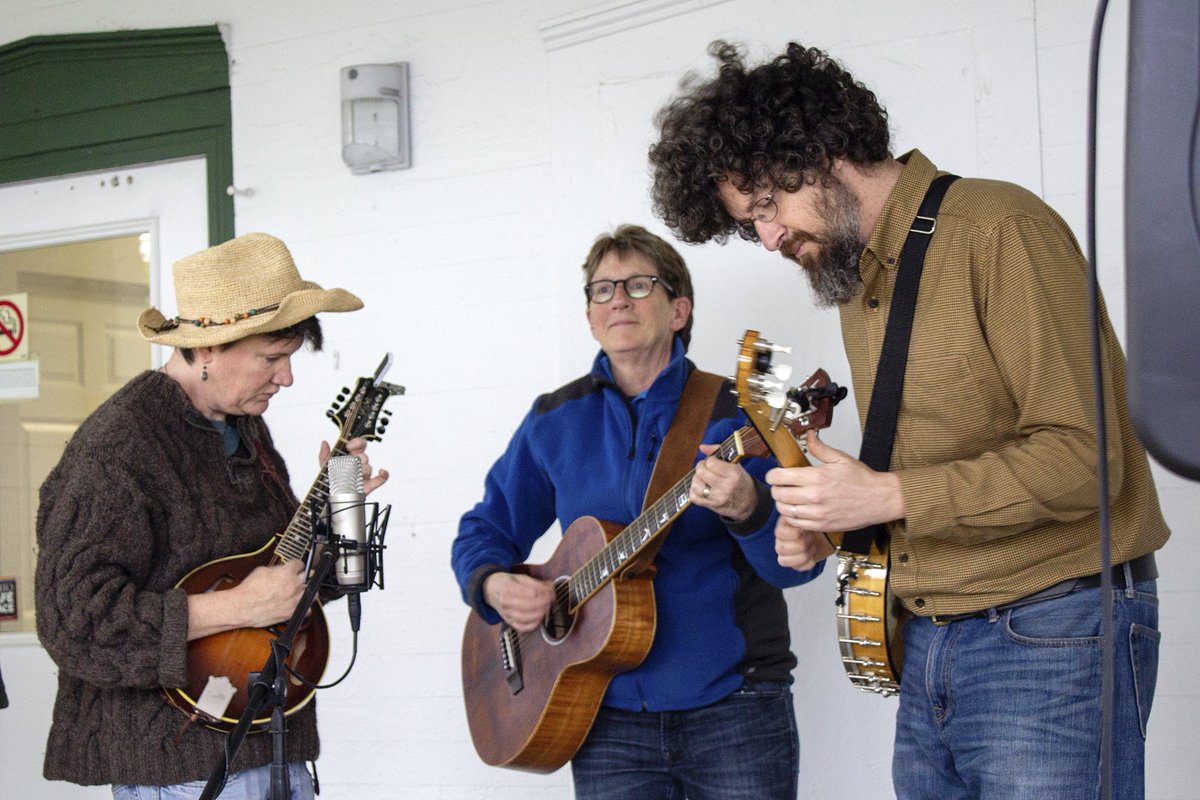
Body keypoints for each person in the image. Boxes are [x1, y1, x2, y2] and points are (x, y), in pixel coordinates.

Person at [648, 41, 1171, 800]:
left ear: (821, 152)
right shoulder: (861, 277)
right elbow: (923, 470)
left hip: (1054, 632)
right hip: (931, 639)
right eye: (748, 223)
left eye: (766, 207)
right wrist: (834, 523)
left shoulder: (998, 228)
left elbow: (1088, 458)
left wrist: (887, 497)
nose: (766, 238)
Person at [452, 224, 830, 799]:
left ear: (679, 310)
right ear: (589, 317)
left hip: (735, 707)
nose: (618, 300)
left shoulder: (745, 409)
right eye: (601, 290)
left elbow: (796, 567)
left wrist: (748, 508)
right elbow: (485, 529)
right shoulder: (553, 419)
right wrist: (494, 584)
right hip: (602, 713)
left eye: (637, 284)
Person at [35, 232, 388, 799]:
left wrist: (337, 513)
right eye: (271, 359)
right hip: (181, 768)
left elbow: (281, 583)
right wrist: (237, 605)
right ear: (205, 350)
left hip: (272, 745)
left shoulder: (244, 430)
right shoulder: (119, 447)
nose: (287, 378)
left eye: (290, 358)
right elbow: (75, 622)